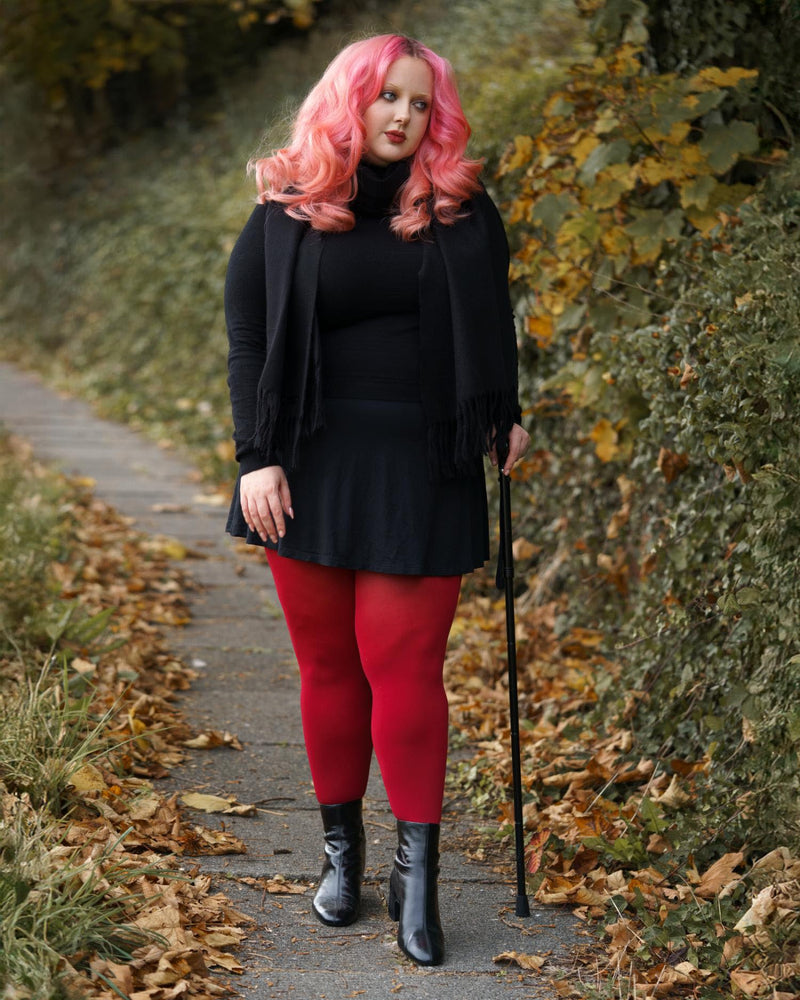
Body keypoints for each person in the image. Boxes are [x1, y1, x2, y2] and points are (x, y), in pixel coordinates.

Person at [224, 33, 529, 967]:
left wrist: (506, 415)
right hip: (308, 463)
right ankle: (341, 856)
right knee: (329, 669)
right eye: (386, 96)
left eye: (419, 102)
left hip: (426, 461)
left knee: (407, 670)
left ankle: (417, 879)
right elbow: (248, 338)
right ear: (348, 100)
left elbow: (495, 325)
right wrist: (256, 458)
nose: (402, 115)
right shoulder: (286, 207)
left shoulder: (460, 209)